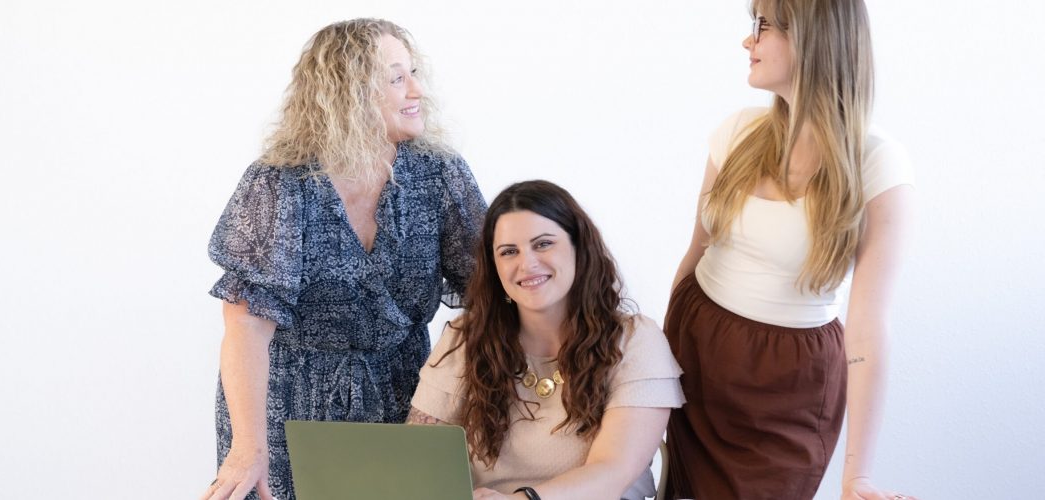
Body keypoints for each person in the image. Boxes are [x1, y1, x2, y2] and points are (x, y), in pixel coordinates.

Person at [200, 19, 486, 500]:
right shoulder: (280, 183)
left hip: (410, 400)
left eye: (413, 73)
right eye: (397, 78)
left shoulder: (439, 173)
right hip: (285, 406)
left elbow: (492, 296)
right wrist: (249, 447)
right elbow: (247, 325)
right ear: (347, 92)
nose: (417, 89)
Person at [663, 1, 917, 499]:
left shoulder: (878, 164)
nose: (747, 41)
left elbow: (868, 325)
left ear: (811, 39)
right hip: (697, 349)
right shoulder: (735, 132)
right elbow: (695, 253)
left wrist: (857, 475)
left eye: (762, 27)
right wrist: (655, 365)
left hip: (788, 383)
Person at [408, 180, 685, 500]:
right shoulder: (466, 338)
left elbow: (612, 472)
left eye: (543, 244)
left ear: (579, 247)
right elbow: (419, 455)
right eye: (509, 252)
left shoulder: (635, 341)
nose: (527, 264)